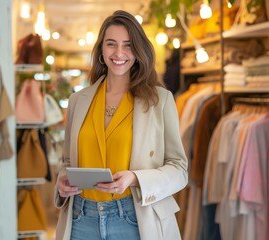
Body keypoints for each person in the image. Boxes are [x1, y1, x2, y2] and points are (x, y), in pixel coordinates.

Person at [54, 10, 188, 240]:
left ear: (138, 51)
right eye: (111, 44)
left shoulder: (160, 100)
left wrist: (136, 179)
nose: (119, 53)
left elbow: (179, 169)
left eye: (128, 45)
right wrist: (62, 180)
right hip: (81, 219)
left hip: (134, 218)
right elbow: (67, 161)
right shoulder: (79, 100)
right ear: (101, 50)